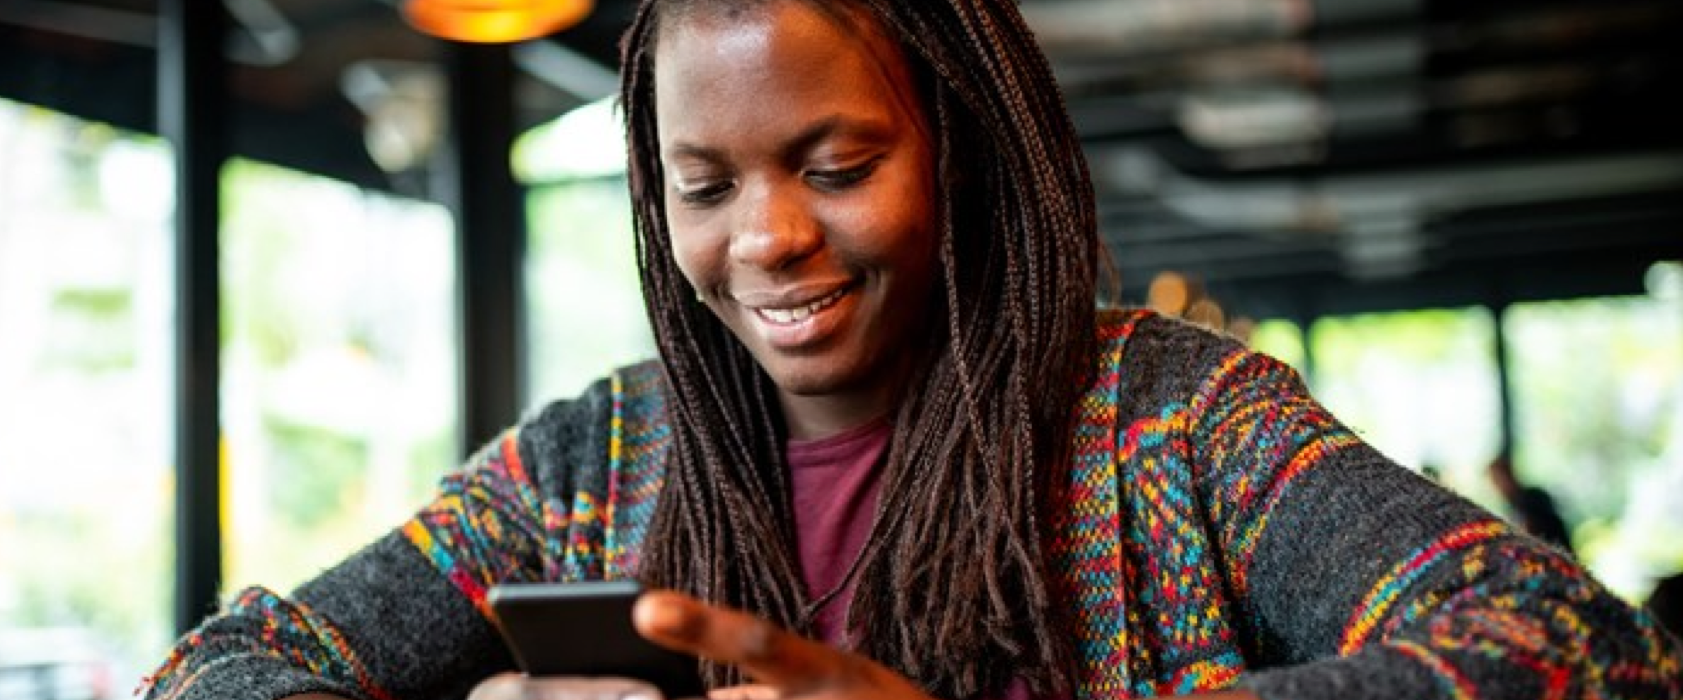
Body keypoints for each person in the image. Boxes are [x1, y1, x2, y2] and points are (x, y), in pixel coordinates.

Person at [137, 0, 1683, 698]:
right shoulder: (587, 464)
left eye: (832, 164)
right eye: (704, 184)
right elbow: (218, 673)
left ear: (960, 150)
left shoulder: (1174, 421)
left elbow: (1572, 656)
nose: (768, 241)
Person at [1485, 455, 1575, 552]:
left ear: (1509, 473)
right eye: (1493, 481)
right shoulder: (1512, 507)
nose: (1496, 486)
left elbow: (1534, 531)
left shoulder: (1533, 496)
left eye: (1497, 478)